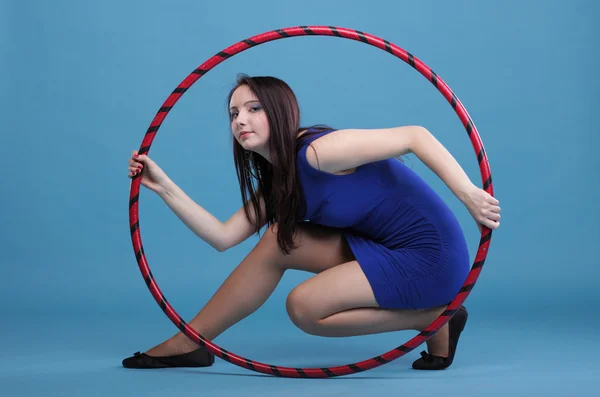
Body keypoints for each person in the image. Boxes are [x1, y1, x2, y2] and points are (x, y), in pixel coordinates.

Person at [122, 75, 501, 371]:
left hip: (430, 257)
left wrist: (468, 194)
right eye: (234, 114)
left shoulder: (319, 152)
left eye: (253, 108)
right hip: (384, 249)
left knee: (304, 307)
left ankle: (435, 316)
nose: (241, 120)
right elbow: (223, 236)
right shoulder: (281, 181)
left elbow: (414, 136)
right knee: (277, 239)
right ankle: (193, 341)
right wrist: (162, 186)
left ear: (280, 110)